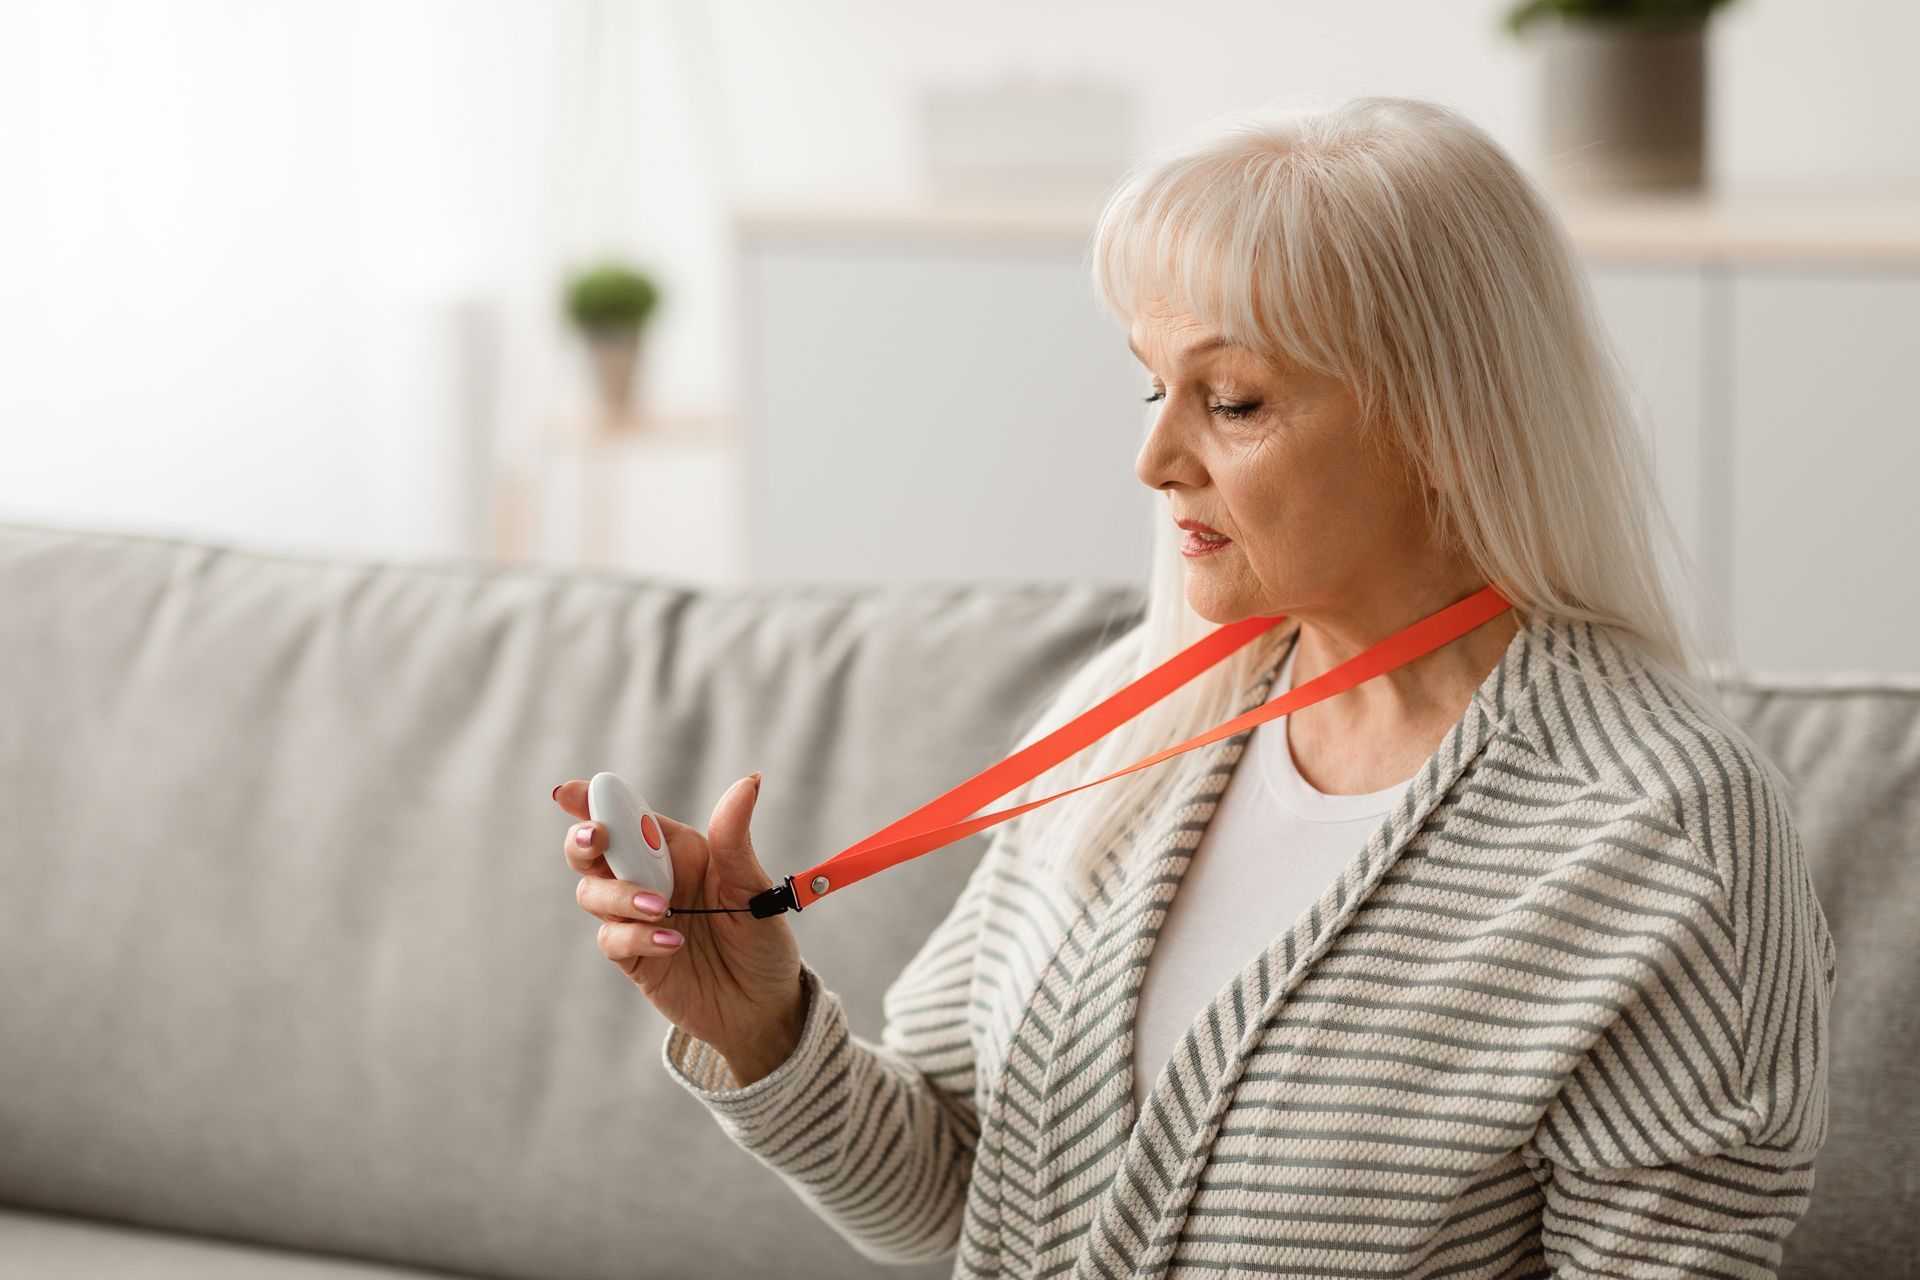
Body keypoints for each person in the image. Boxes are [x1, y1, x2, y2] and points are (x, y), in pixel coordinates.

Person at [551, 92, 1835, 1279]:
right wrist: (762, 1030)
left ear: (1449, 422)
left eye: (1232, 399)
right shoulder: (1132, 712)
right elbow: (952, 1190)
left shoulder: (1662, 836)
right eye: (1153, 384)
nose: (1153, 455)